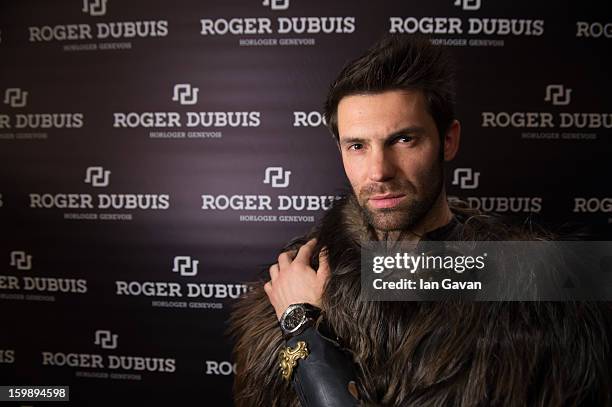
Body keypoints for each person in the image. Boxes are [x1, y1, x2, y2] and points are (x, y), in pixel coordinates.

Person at [228, 35, 612, 406]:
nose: (378, 171)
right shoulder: (294, 278)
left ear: (448, 140)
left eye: (403, 140)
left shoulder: (538, 285)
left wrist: (302, 324)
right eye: (358, 146)